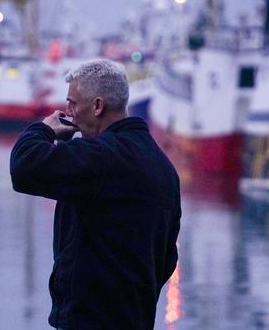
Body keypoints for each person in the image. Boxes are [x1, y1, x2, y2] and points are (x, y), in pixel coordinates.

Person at [10, 59, 181, 330]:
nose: (68, 112)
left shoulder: (100, 158)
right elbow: (168, 258)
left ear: (97, 106)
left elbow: (24, 166)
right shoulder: (164, 168)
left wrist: (44, 130)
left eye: (73, 104)